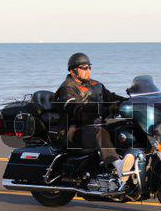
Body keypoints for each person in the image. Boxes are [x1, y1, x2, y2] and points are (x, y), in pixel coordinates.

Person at [54, 53, 135, 183]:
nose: (88, 71)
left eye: (89, 67)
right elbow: (76, 110)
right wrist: (101, 109)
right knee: (100, 132)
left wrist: (131, 102)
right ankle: (118, 165)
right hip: (74, 131)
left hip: (95, 125)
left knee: (123, 127)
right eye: (84, 68)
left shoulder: (96, 85)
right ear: (73, 71)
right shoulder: (67, 88)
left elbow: (112, 97)